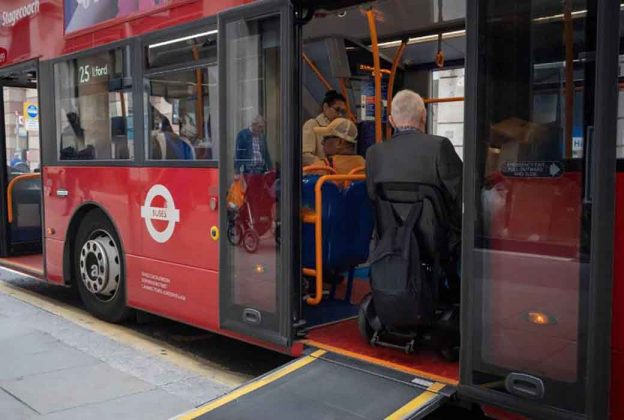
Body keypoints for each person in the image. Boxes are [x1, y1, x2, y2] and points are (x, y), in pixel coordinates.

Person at [366, 89, 462, 255]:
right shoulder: (439, 147)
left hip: (390, 243)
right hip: (436, 246)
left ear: (391, 121)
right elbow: (461, 194)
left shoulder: (373, 153)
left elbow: (373, 197)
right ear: (424, 116)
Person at [302, 90, 348, 166]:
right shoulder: (312, 124)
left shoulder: (343, 128)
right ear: (325, 107)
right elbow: (305, 155)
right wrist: (326, 165)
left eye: (343, 112)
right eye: (337, 110)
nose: (340, 114)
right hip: (318, 173)